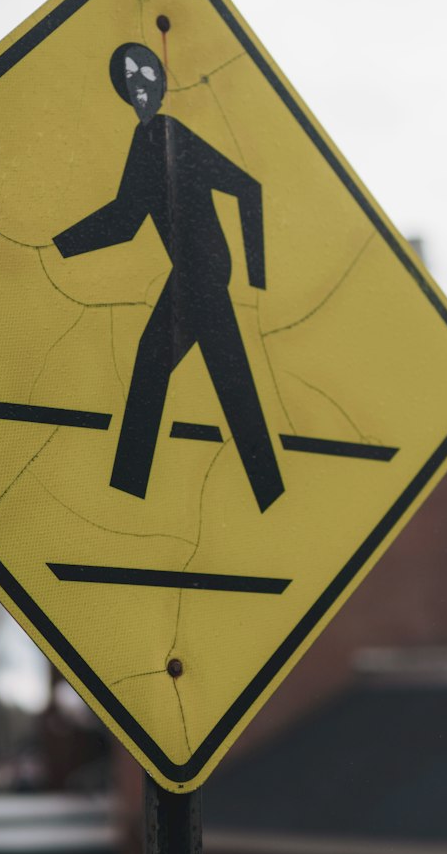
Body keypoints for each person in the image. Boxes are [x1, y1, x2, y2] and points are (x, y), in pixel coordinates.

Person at [54, 42, 284, 512]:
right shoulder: (147, 139)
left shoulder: (167, 132)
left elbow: (246, 187)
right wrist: (57, 246)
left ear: (160, 80)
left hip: (203, 273)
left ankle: (126, 492)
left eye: (145, 71)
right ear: (122, 90)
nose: (139, 82)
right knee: (228, 384)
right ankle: (269, 492)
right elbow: (126, 219)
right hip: (196, 274)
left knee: (159, 369)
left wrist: (257, 277)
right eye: (129, 75)